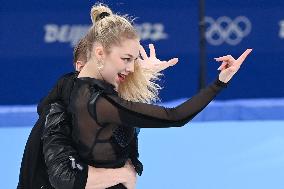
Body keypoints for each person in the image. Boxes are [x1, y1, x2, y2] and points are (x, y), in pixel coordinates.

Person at [42, 3, 252, 189]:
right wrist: (219, 83)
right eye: (126, 59)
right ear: (99, 53)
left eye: (134, 60)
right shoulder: (101, 104)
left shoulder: (70, 85)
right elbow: (175, 116)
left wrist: (143, 71)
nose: (132, 68)